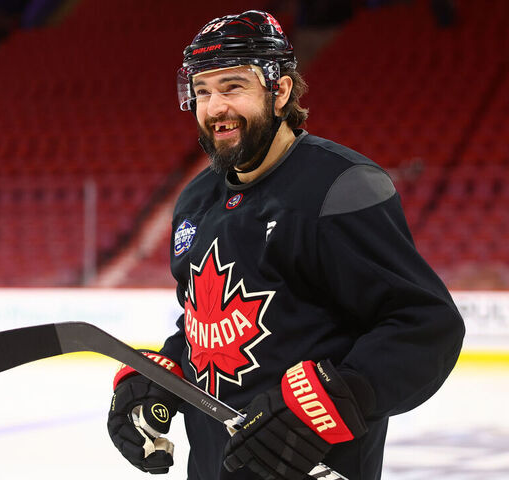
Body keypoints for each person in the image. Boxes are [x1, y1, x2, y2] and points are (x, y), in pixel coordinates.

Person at [107, 10, 465, 480]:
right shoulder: (197, 198)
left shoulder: (340, 188)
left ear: (280, 91)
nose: (215, 107)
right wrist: (161, 377)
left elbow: (425, 327)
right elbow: (205, 323)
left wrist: (330, 402)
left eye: (233, 87)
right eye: (202, 91)